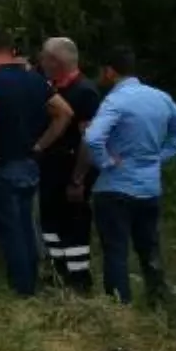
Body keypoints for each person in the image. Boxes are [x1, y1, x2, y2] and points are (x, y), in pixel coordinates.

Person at [84, 46, 176, 306]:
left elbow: (92, 137)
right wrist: (162, 154)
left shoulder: (115, 101)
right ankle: (158, 300)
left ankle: (119, 306)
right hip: (149, 187)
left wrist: (105, 161)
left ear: (110, 72)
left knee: (116, 251)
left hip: (115, 187)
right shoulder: (159, 97)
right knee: (149, 248)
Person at [0, 28, 76, 297]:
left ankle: (22, 291)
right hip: (30, 165)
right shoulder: (34, 80)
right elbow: (64, 112)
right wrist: (40, 145)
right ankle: (34, 285)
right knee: (28, 227)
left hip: (1, 166)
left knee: (11, 231)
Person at [36, 37, 103, 294]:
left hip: (72, 170)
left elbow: (90, 138)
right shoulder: (53, 89)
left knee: (74, 224)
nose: (41, 62)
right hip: (51, 169)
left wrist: (78, 179)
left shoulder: (84, 92)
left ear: (57, 61)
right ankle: (57, 271)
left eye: (44, 57)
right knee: (51, 221)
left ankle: (79, 280)